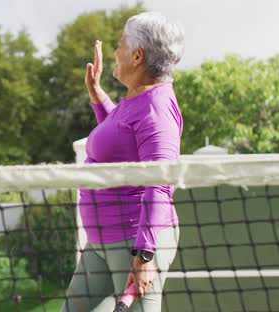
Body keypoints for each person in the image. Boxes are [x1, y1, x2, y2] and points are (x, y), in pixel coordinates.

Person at [62, 12, 185, 312]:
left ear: (137, 56)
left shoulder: (156, 111)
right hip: (101, 242)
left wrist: (143, 256)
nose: (117, 52)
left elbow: (160, 184)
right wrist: (97, 94)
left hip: (135, 242)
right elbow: (119, 142)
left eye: (121, 44)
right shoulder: (137, 100)